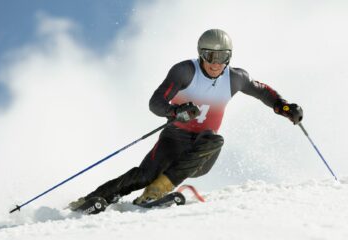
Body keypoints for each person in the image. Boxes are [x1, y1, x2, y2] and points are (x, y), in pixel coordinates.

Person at [69, 29, 303, 211]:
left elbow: (262, 91)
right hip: (174, 138)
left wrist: (284, 107)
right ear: (201, 53)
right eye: (210, 56)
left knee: (214, 139)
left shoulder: (235, 78)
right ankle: (88, 201)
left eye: (222, 57)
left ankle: (157, 191)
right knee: (144, 175)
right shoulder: (185, 71)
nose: (216, 63)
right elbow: (156, 102)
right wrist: (175, 112)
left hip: (201, 152)